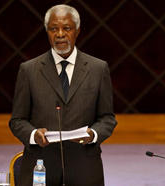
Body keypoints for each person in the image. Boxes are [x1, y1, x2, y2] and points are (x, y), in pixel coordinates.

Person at [9, 4, 117, 186]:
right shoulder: (28, 70)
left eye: (66, 28)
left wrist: (93, 134)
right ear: (47, 32)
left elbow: (107, 118)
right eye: (53, 29)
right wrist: (34, 134)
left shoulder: (98, 69)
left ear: (77, 31)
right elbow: (17, 121)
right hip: (40, 168)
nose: (60, 34)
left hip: (85, 169)